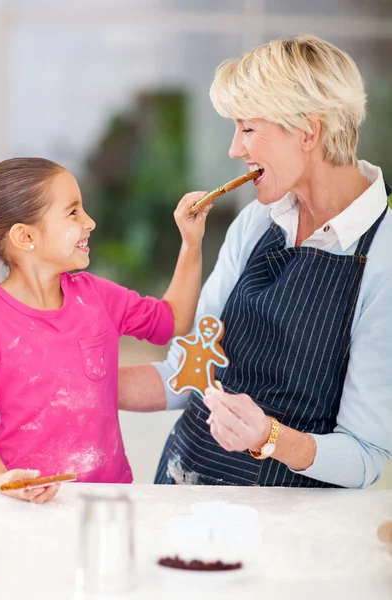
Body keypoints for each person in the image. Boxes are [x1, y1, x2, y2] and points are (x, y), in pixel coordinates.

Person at [119, 34, 392, 489]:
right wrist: (67, 378)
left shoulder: (384, 256)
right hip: (182, 487)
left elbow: (365, 458)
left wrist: (269, 438)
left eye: (248, 128)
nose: (234, 149)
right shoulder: (255, 221)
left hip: (289, 534)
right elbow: (186, 374)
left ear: (308, 130)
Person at [0, 157, 211, 502]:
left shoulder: (97, 296)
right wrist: (2, 480)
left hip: (107, 500)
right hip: (26, 505)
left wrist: (191, 245)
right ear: (25, 236)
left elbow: (170, 322)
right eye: (73, 212)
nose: (90, 222)